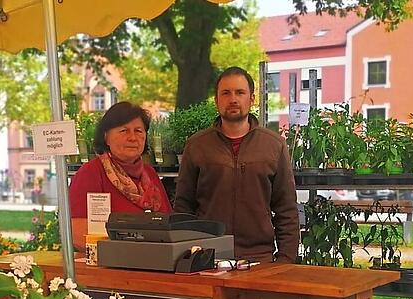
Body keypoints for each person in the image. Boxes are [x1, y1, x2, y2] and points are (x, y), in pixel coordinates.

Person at [174, 66, 299, 263]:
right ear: (216, 100)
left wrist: (285, 260)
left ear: (252, 99)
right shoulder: (197, 146)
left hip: (259, 258)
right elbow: (183, 207)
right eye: (226, 93)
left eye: (240, 92)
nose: (233, 99)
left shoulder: (274, 145)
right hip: (207, 257)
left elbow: (286, 209)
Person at [69, 102, 172, 250]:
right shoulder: (91, 173)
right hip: (111, 265)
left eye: (138, 131)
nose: (132, 137)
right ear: (106, 137)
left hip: (154, 262)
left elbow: (168, 224)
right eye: (124, 131)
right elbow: (78, 235)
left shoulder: (150, 175)